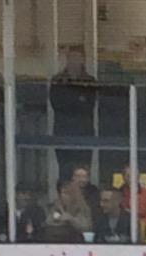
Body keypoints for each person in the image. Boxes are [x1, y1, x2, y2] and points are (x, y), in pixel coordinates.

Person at [49, 46, 98, 179]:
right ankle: (65, 198)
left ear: (83, 60)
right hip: (63, 131)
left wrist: (70, 101)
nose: (74, 61)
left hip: (84, 132)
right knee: (65, 171)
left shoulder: (90, 81)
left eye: (77, 58)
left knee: (83, 171)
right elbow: (57, 104)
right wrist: (78, 99)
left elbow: (88, 105)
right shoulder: (57, 80)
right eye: (71, 58)